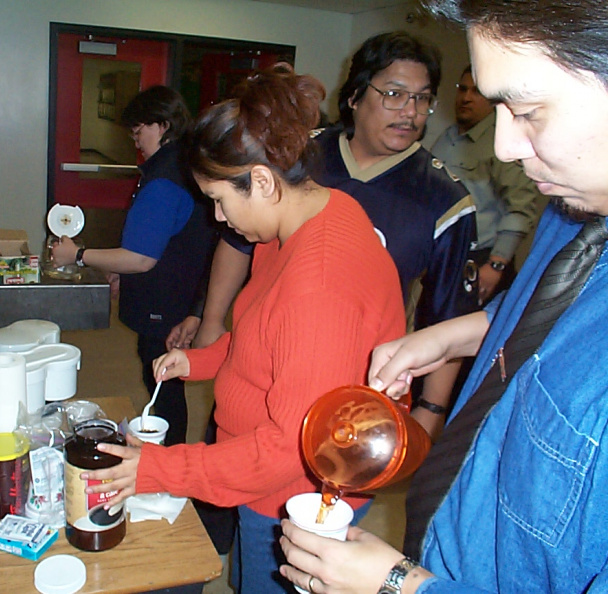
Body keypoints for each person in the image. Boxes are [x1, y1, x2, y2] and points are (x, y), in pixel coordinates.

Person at [278, 1, 608, 593]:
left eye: (528, 110)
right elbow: (538, 318)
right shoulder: (576, 211)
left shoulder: (447, 195)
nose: (503, 145)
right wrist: (454, 334)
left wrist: (398, 586)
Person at [81, 64, 406, 592]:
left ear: (260, 180)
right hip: (258, 474)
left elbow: (287, 448)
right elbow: (270, 337)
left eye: (219, 200)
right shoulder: (301, 222)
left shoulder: (320, 284)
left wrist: (159, 470)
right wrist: (204, 359)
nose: (218, 218)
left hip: (290, 494)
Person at [312, 31, 479, 438]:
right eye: (394, 94)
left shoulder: (446, 199)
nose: (410, 112)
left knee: (338, 495)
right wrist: (209, 318)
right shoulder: (302, 158)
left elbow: (448, 315)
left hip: (362, 383)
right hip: (268, 360)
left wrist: (431, 409)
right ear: (354, 96)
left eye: (422, 98)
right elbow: (240, 242)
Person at [52, 85, 216, 446]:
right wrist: (116, 269)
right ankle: (168, 455)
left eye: (139, 131)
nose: (135, 140)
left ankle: (168, 463)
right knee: (164, 382)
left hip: (166, 298)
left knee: (162, 380)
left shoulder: (163, 180)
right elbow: (149, 242)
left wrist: (78, 255)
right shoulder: (183, 165)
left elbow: (140, 258)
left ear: (161, 125)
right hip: (180, 290)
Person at [432, 65, 541, 305]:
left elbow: (520, 208)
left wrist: (496, 264)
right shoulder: (446, 139)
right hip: (446, 258)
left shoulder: (502, 143)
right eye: (462, 89)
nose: (466, 98)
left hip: (483, 262)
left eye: (476, 92)